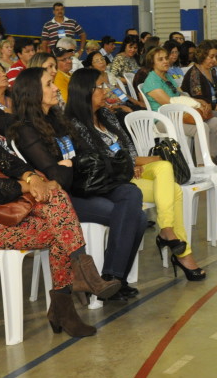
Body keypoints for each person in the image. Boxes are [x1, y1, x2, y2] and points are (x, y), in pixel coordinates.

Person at [0, 76, 119, 337]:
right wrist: (29, 186)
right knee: (60, 229)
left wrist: (33, 177)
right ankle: (71, 294)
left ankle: (75, 286)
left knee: (56, 199)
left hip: (11, 211)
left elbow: (11, 162)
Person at [9, 68, 144, 298]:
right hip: (61, 201)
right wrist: (66, 167)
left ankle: (113, 278)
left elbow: (79, 158)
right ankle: (113, 280)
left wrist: (67, 165)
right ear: (33, 92)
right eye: (49, 84)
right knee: (137, 217)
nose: (55, 88)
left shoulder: (56, 119)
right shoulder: (26, 130)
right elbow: (55, 178)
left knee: (131, 194)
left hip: (83, 185)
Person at [66, 69, 204, 281]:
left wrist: (128, 162)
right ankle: (183, 253)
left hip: (126, 172)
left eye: (105, 86)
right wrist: (128, 164)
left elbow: (127, 149)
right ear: (85, 90)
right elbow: (100, 159)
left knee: (165, 167)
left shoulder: (106, 115)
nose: (105, 91)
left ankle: (167, 230)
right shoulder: (74, 124)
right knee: (174, 190)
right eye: (100, 86)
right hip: (109, 182)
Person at [143, 46, 217, 166]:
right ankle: (202, 165)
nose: (165, 61)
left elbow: (180, 95)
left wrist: (198, 101)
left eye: (166, 58)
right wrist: (192, 108)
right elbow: (168, 104)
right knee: (201, 127)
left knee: (214, 122)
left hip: (179, 115)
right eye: (160, 59)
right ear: (152, 63)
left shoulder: (167, 77)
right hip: (163, 119)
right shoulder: (152, 81)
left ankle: (213, 158)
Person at [180, 41, 217, 165]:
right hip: (199, 110)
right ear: (202, 55)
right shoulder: (194, 74)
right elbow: (199, 99)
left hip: (212, 107)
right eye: (211, 56)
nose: (214, 60)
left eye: (216, 57)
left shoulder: (212, 71)